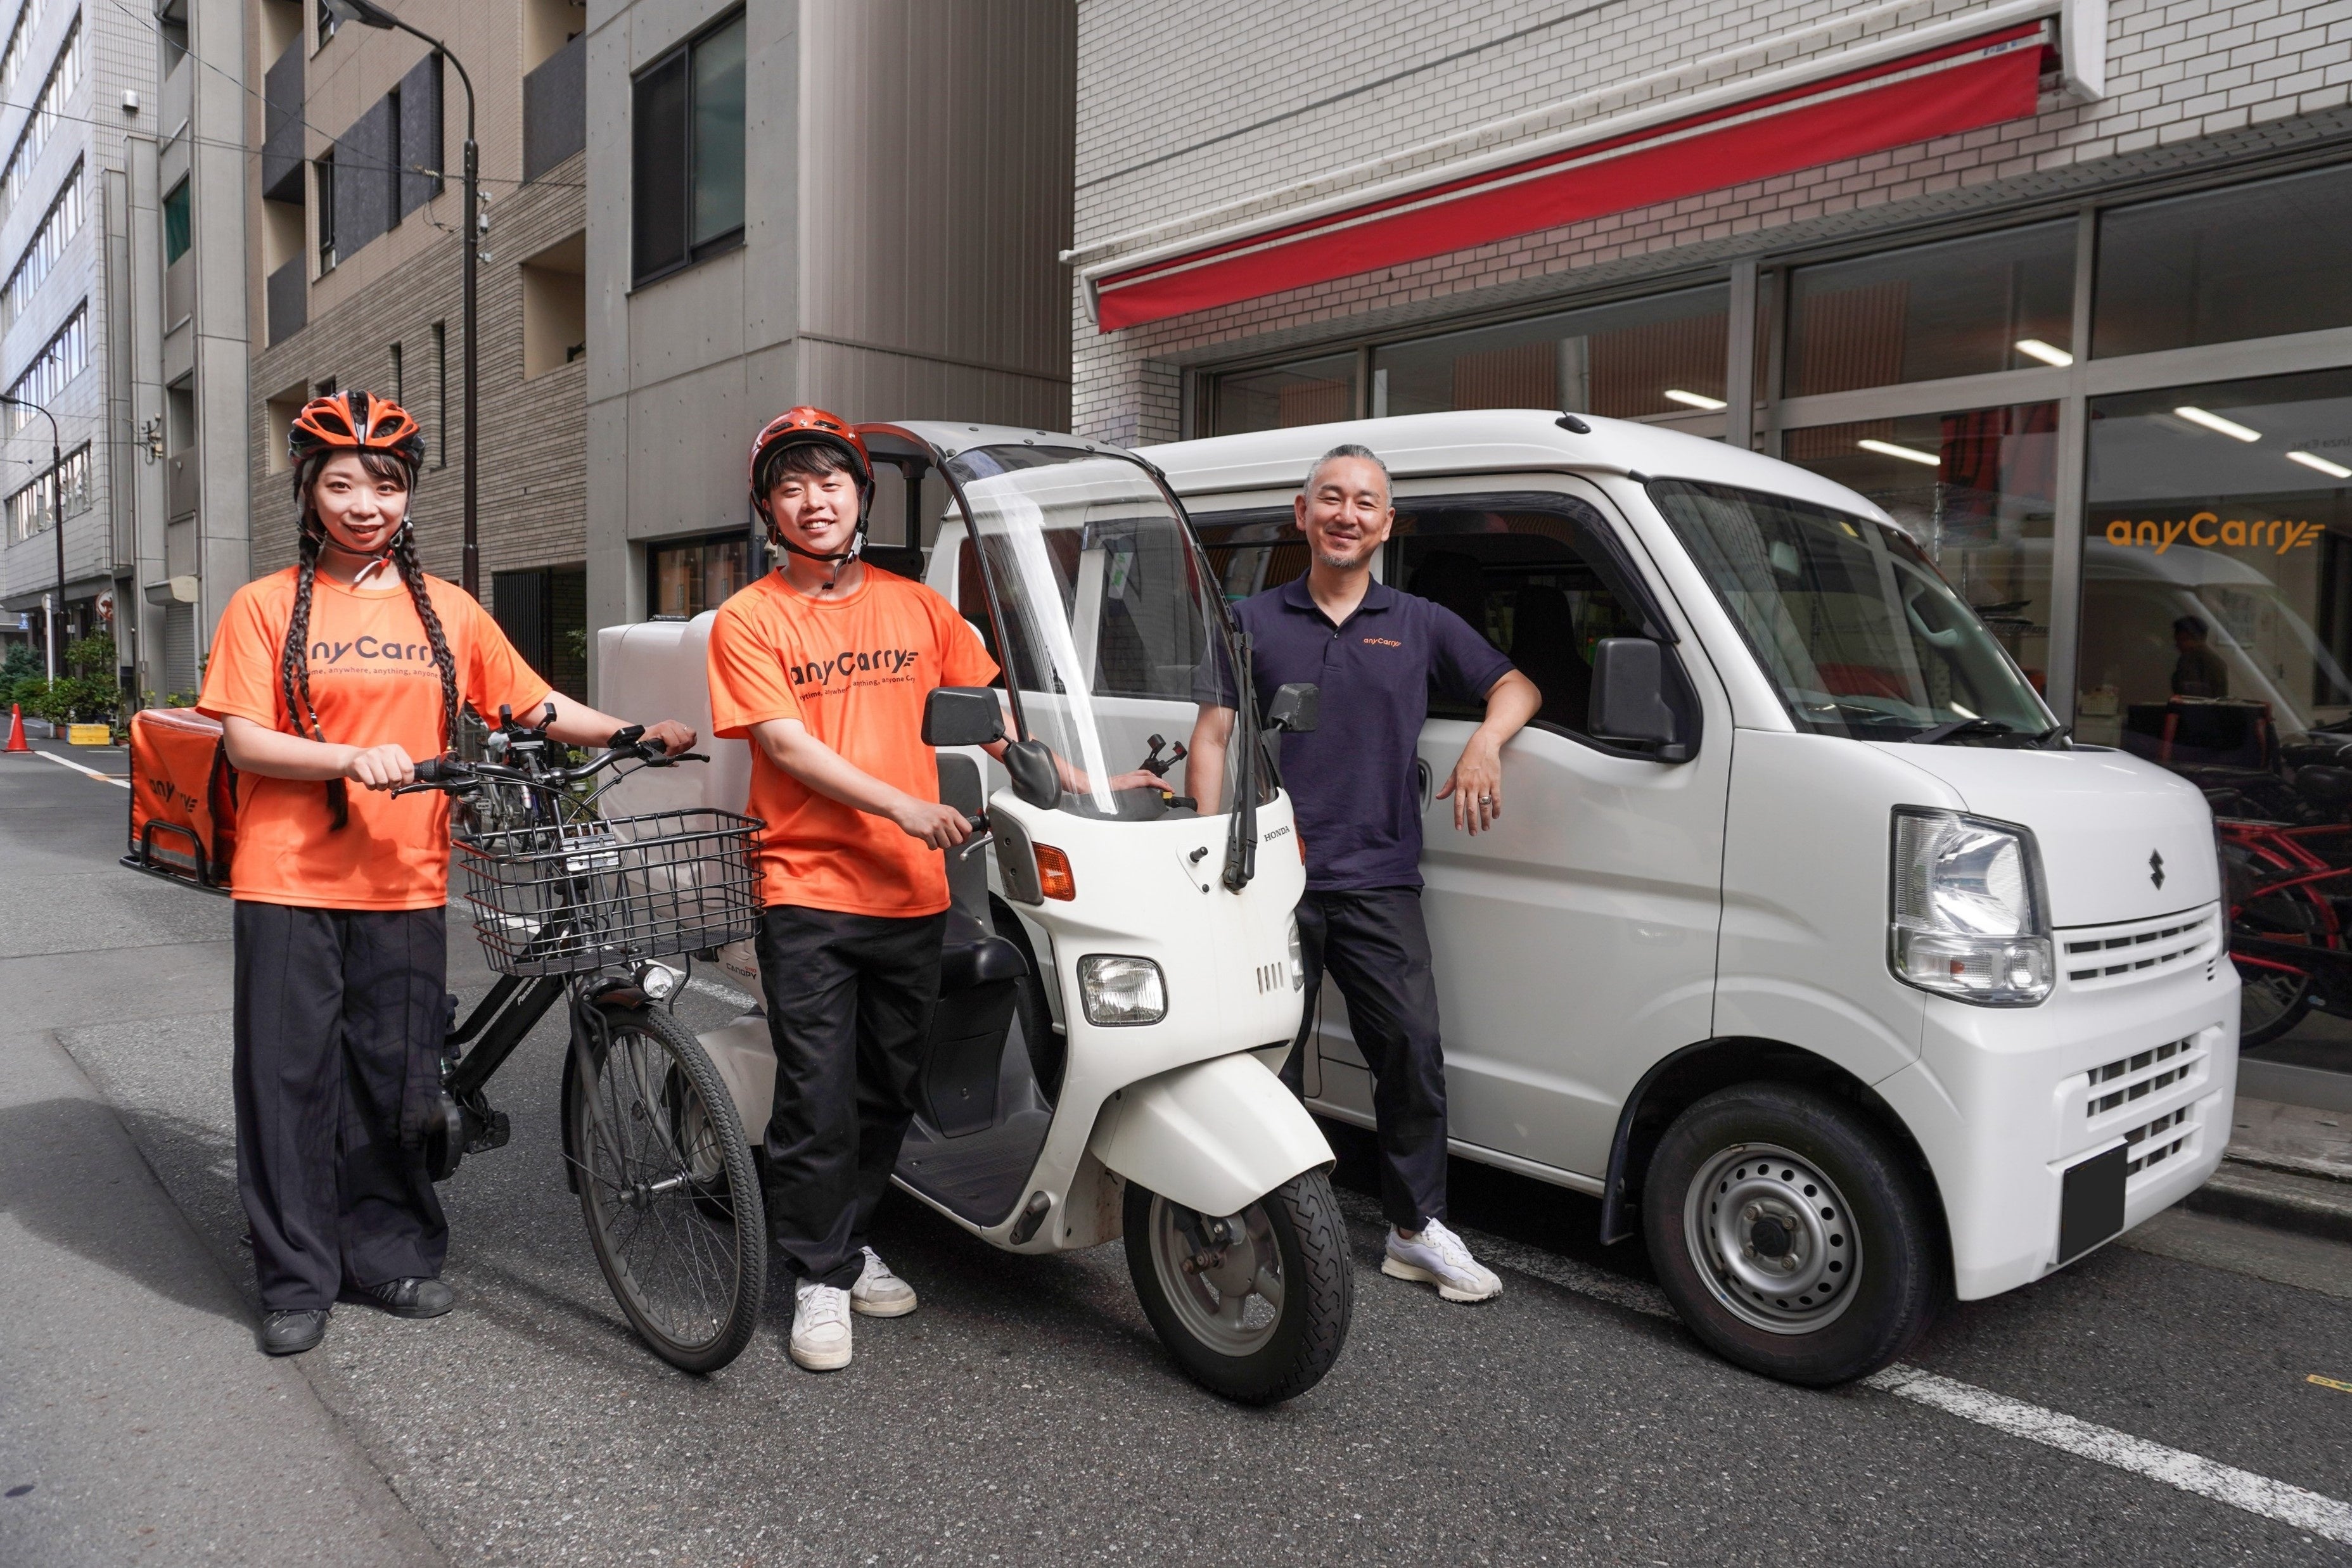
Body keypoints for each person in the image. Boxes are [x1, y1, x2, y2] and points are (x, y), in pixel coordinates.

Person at [198, 391, 697, 1356]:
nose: (363, 503)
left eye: (383, 485)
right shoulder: (263, 606)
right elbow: (245, 739)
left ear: (407, 499)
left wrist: (629, 731)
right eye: (340, 483)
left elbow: (531, 702)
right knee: (288, 1079)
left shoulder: (450, 612)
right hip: (290, 877)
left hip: (406, 876)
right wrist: (350, 756)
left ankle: (384, 1252)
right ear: (308, 495)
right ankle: (296, 1274)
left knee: (396, 1080)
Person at [1185, 443, 1542, 1304]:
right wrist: (1209, 864)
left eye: (1366, 503)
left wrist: (1489, 741)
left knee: (1411, 1050)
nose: (1348, 514)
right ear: (1301, 514)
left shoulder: (1416, 621)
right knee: (1260, 1055)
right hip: (1275, 877)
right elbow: (1211, 739)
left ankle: (1416, 1228)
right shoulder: (1251, 619)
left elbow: (1517, 685)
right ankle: (1242, 1213)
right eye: (1331, 498)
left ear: (1388, 524)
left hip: (1380, 875)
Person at [704, 407, 1002, 1373]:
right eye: (791, 486)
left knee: (887, 1086)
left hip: (912, 892)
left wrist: (1081, 780)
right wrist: (903, 806)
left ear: (859, 495)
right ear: (768, 510)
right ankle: (819, 1272)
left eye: (830, 480)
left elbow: (987, 714)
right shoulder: (751, 618)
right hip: (808, 887)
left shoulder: (915, 606)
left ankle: (852, 1233)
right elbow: (784, 745)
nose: (813, 499)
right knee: (818, 1093)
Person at [2171, 615, 2229, 699]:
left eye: (2181, 640)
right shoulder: (2216, 660)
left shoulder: (2189, 660)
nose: (2178, 645)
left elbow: (2188, 694)